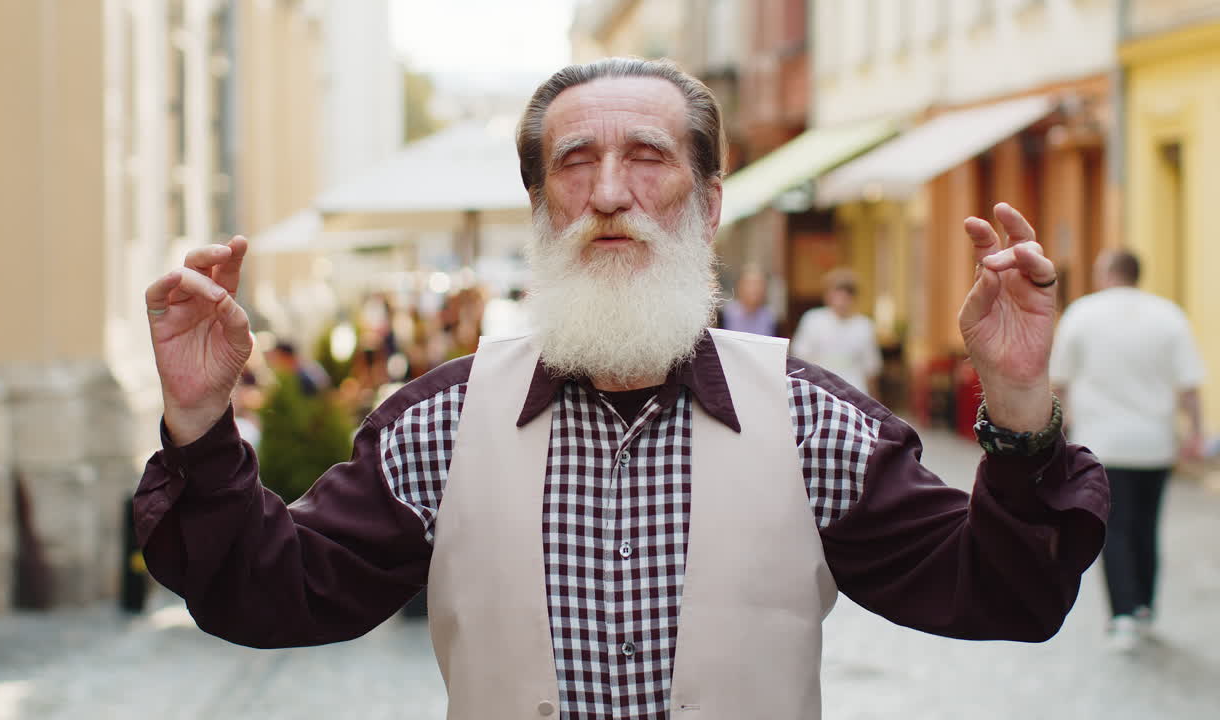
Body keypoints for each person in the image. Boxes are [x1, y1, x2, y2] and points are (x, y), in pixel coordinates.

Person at [138, 58, 1107, 719]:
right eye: (576, 163)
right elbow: (271, 592)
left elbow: (1004, 594)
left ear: (709, 203)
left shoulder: (810, 420)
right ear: (539, 206)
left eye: (646, 158)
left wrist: (1018, 400)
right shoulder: (441, 423)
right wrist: (200, 419)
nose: (609, 194)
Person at [1050, 249, 1205, 652]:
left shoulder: (1082, 314)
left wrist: (1055, 433)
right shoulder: (1169, 316)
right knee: (1146, 525)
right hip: (1154, 442)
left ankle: (1122, 616)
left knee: (1113, 527)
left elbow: (1060, 381)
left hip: (1103, 442)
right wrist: (1196, 431)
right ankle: (1144, 607)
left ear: (1106, 273)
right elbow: (1189, 384)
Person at [791, 267, 883, 397]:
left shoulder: (864, 325)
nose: (841, 302)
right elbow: (800, 357)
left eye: (846, 296)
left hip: (854, 391)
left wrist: (874, 399)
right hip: (819, 389)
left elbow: (870, 368)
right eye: (836, 295)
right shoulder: (813, 319)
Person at [719, 265, 777, 336]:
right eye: (750, 284)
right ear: (739, 286)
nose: (754, 289)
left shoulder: (769, 317)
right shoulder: (726, 313)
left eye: (759, 284)